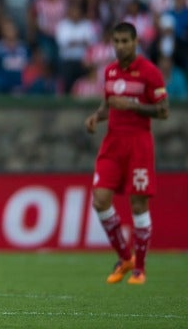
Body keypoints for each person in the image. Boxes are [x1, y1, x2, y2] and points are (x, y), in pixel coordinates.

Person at [84, 22, 169, 285]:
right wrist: (97, 116)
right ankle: (125, 257)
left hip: (139, 144)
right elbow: (109, 103)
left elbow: (163, 111)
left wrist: (132, 104)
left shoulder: (150, 73)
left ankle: (139, 269)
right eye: (116, 41)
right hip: (113, 143)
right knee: (99, 200)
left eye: (125, 41)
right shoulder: (109, 72)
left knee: (138, 205)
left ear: (135, 42)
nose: (120, 46)